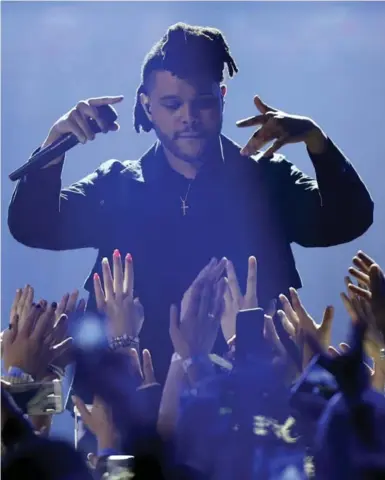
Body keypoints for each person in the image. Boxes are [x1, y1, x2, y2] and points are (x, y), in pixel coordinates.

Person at [8, 22, 373, 380]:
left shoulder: (263, 179)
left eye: (203, 102)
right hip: (130, 411)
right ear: (146, 106)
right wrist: (56, 144)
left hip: (252, 405)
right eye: (172, 104)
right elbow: (34, 226)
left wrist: (315, 140)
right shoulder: (117, 186)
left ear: (222, 98)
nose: (188, 117)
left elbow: (348, 219)